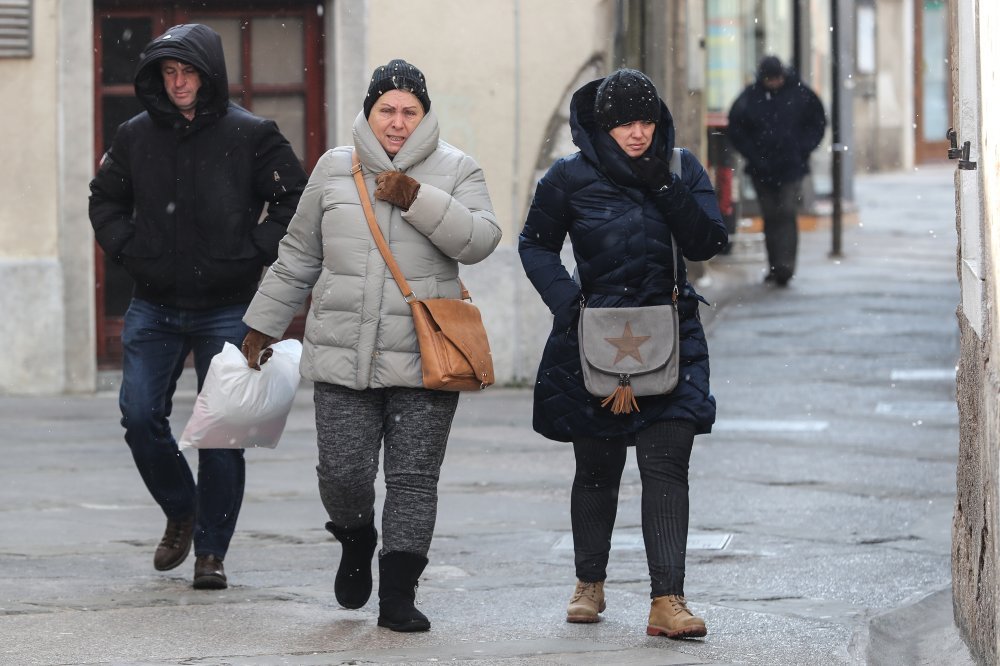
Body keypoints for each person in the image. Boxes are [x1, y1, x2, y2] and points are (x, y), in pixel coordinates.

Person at [240, 59, 501, 632]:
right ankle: (356, 539)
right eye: (388, 109)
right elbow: (300, 252)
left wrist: (417, 197)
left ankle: (399, 595)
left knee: (413, 480)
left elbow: (482, 239)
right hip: (341, 352)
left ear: (425, 115)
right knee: (342, 474)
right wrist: (264, 323)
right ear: (369, 111)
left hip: (427, 357)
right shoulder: (336, 168)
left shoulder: (457, 169)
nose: (399, 122)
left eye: (411, 111)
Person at [89, 24, 308, 590]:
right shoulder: (135, 135)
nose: (179, 82)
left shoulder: (253, 134)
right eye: (169, 72)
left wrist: (252, 254)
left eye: (188, 72)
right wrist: (129, 251)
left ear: (209, 75)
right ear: (157, 78)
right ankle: (182, 508)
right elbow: (105, 198)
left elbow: (295, 200)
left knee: (223, 432)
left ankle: (211, 551)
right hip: (155, 302)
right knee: (139, 416)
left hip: (228, 304)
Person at [518, 69, 727, 639]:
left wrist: (664, 186)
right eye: (623, 124)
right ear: (601, 126)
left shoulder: (680, 168)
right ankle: (590, 582)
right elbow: (534, 244)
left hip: (672, 332)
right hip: (593, 340)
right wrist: (570, 307)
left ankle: (668, 600)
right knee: (597, 467)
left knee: (666, 464)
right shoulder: (567, 177)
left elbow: (710, 240)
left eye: (645, 121)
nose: (637, 133)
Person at [726, 55, 826, 286]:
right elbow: (737, 128)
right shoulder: (752, 97)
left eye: (777, 78)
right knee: (771, 217)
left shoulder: (799, 94)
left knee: (787, 214)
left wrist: (802, 149)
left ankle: (785, 267)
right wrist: (753, 154)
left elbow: (817, 122)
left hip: (790, 167)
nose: (774, 83)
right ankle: (776, 265)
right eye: (770, 79)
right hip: (763, 169)